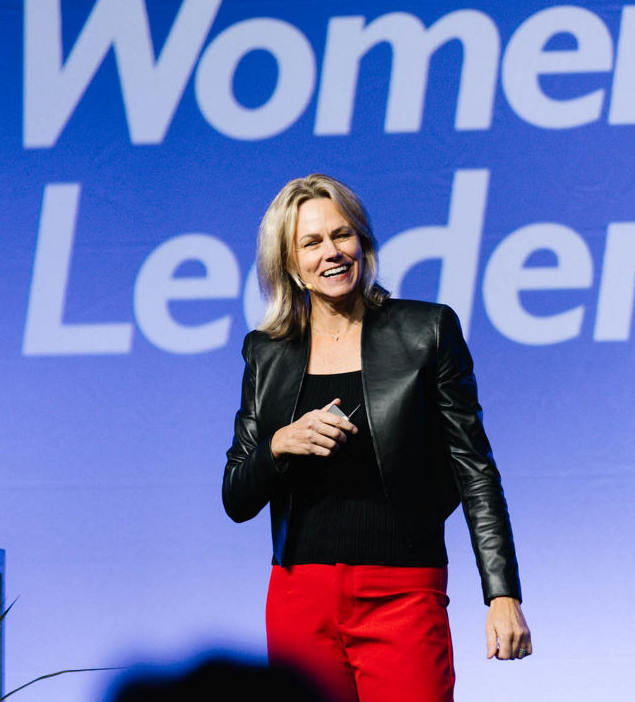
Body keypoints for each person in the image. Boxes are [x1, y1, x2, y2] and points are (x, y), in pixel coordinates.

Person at [222, 173, 531, 702]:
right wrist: (279, 445)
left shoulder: (425, 331)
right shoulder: (266, 352)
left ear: (363, 244)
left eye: (343, 236)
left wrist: (501, 592)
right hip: (300, 598)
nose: (332, 253)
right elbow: (236, 497)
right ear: (290, 265)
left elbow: (474, 468)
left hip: (404, 591)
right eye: (312, 243)